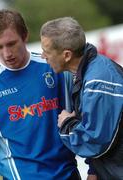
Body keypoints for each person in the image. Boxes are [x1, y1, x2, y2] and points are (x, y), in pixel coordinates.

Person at [0, 10, 81, 180]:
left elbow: (83, 121)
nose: (7, 54)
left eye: (11, 43)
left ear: (25, 36)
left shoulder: (55, 68)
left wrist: (94, 169)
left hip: (67, 174)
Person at [40, 17, 123, 180]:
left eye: (47, 52)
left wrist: (66, 123)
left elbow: (94, 142)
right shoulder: (89, 71)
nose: (43, 56)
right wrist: (93, 170)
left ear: (66, 55)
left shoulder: (97, 81)